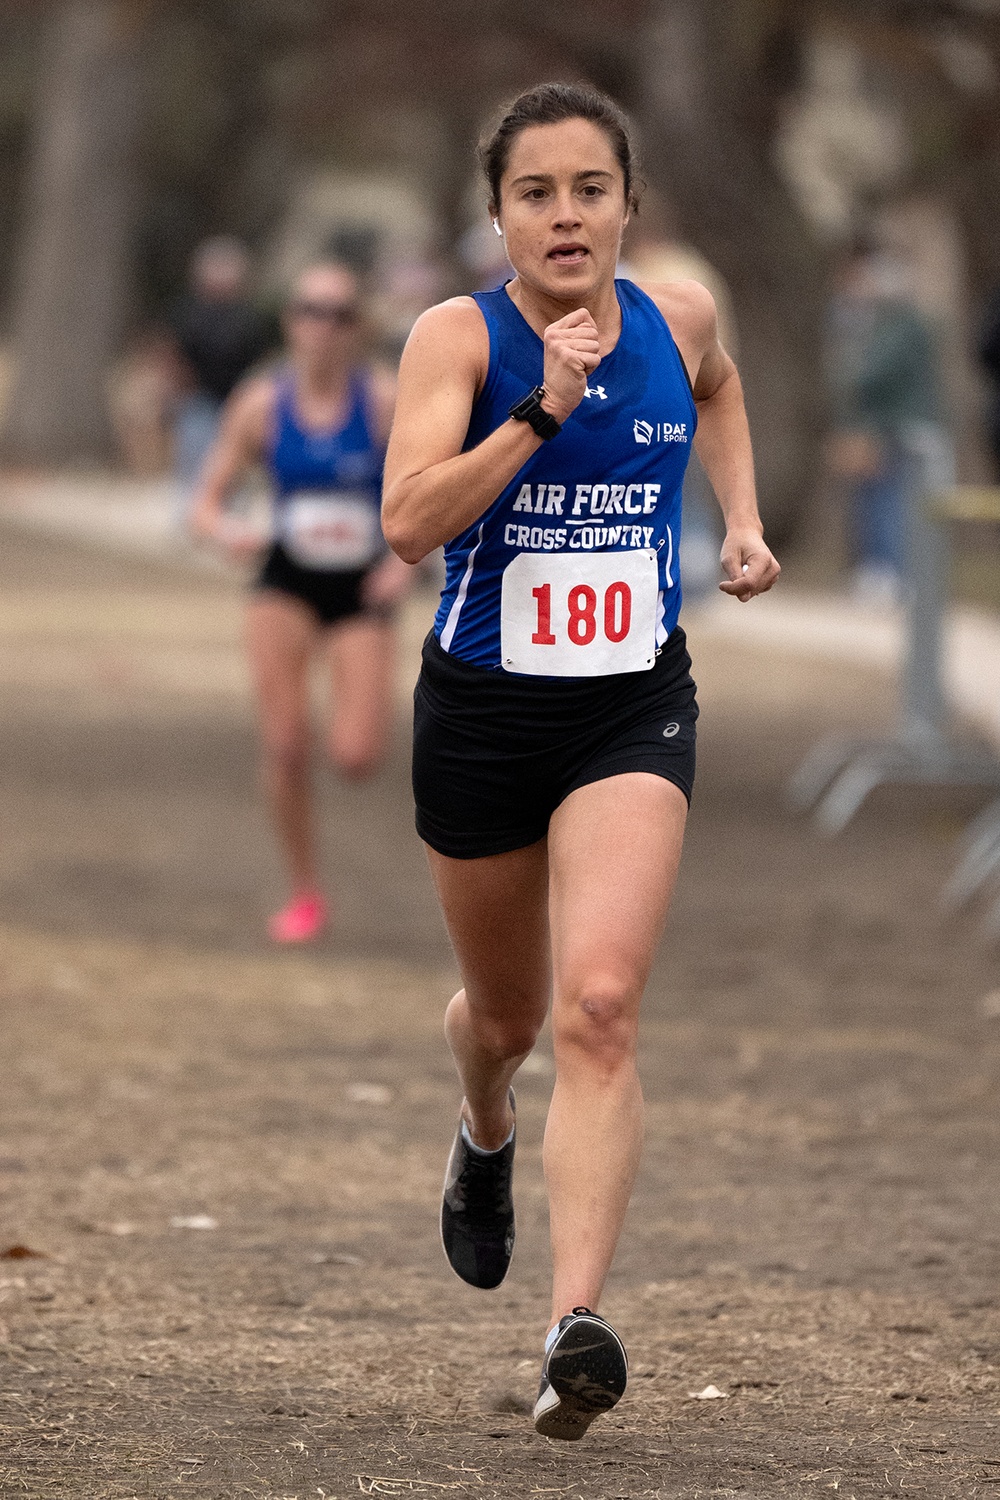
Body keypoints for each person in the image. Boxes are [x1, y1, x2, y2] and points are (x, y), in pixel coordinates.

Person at [382, 83, 779, 1441]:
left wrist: (741, 521)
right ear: (497, 214)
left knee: (600, 1007)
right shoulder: (457, 337)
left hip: (629, 709)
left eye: (590, 189)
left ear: (628, 204)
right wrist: (538, 412)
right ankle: (484, 1126)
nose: (565, 215)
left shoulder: (680, 319)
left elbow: (720, 397)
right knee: (507, 1019)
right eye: (536, 192)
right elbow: (406, 522)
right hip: (487, 712)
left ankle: (574, 1332)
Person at [192, 261, 412, 942]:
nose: (323, 326)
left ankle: (340, 735)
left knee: (354, 755)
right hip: (284, 578)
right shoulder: (261, 404)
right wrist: (228, 532)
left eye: (340, 313)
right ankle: (304, 891)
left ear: (356, 328)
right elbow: (204, 502)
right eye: (311, 310)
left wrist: (406, 564)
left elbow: (433, 495)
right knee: (286, 745)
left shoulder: (381, 401)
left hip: (360, 584)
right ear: (290, 320)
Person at [826, 241, 943, 605]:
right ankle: (877, 567)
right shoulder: (866, 318)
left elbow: (872, 372)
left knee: (891, 501)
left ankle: (892, 570)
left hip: (900, 425)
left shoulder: (901, 320)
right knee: (872, 499)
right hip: (874, 425)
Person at [170, 237, 275, 511]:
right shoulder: (189, 312)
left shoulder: (248, 317)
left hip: (236, 399)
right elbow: (176, 356)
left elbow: (259, 361)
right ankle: (189, 513)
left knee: (236, 462)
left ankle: (232, 513)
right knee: (193, 458)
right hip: (201, 399)